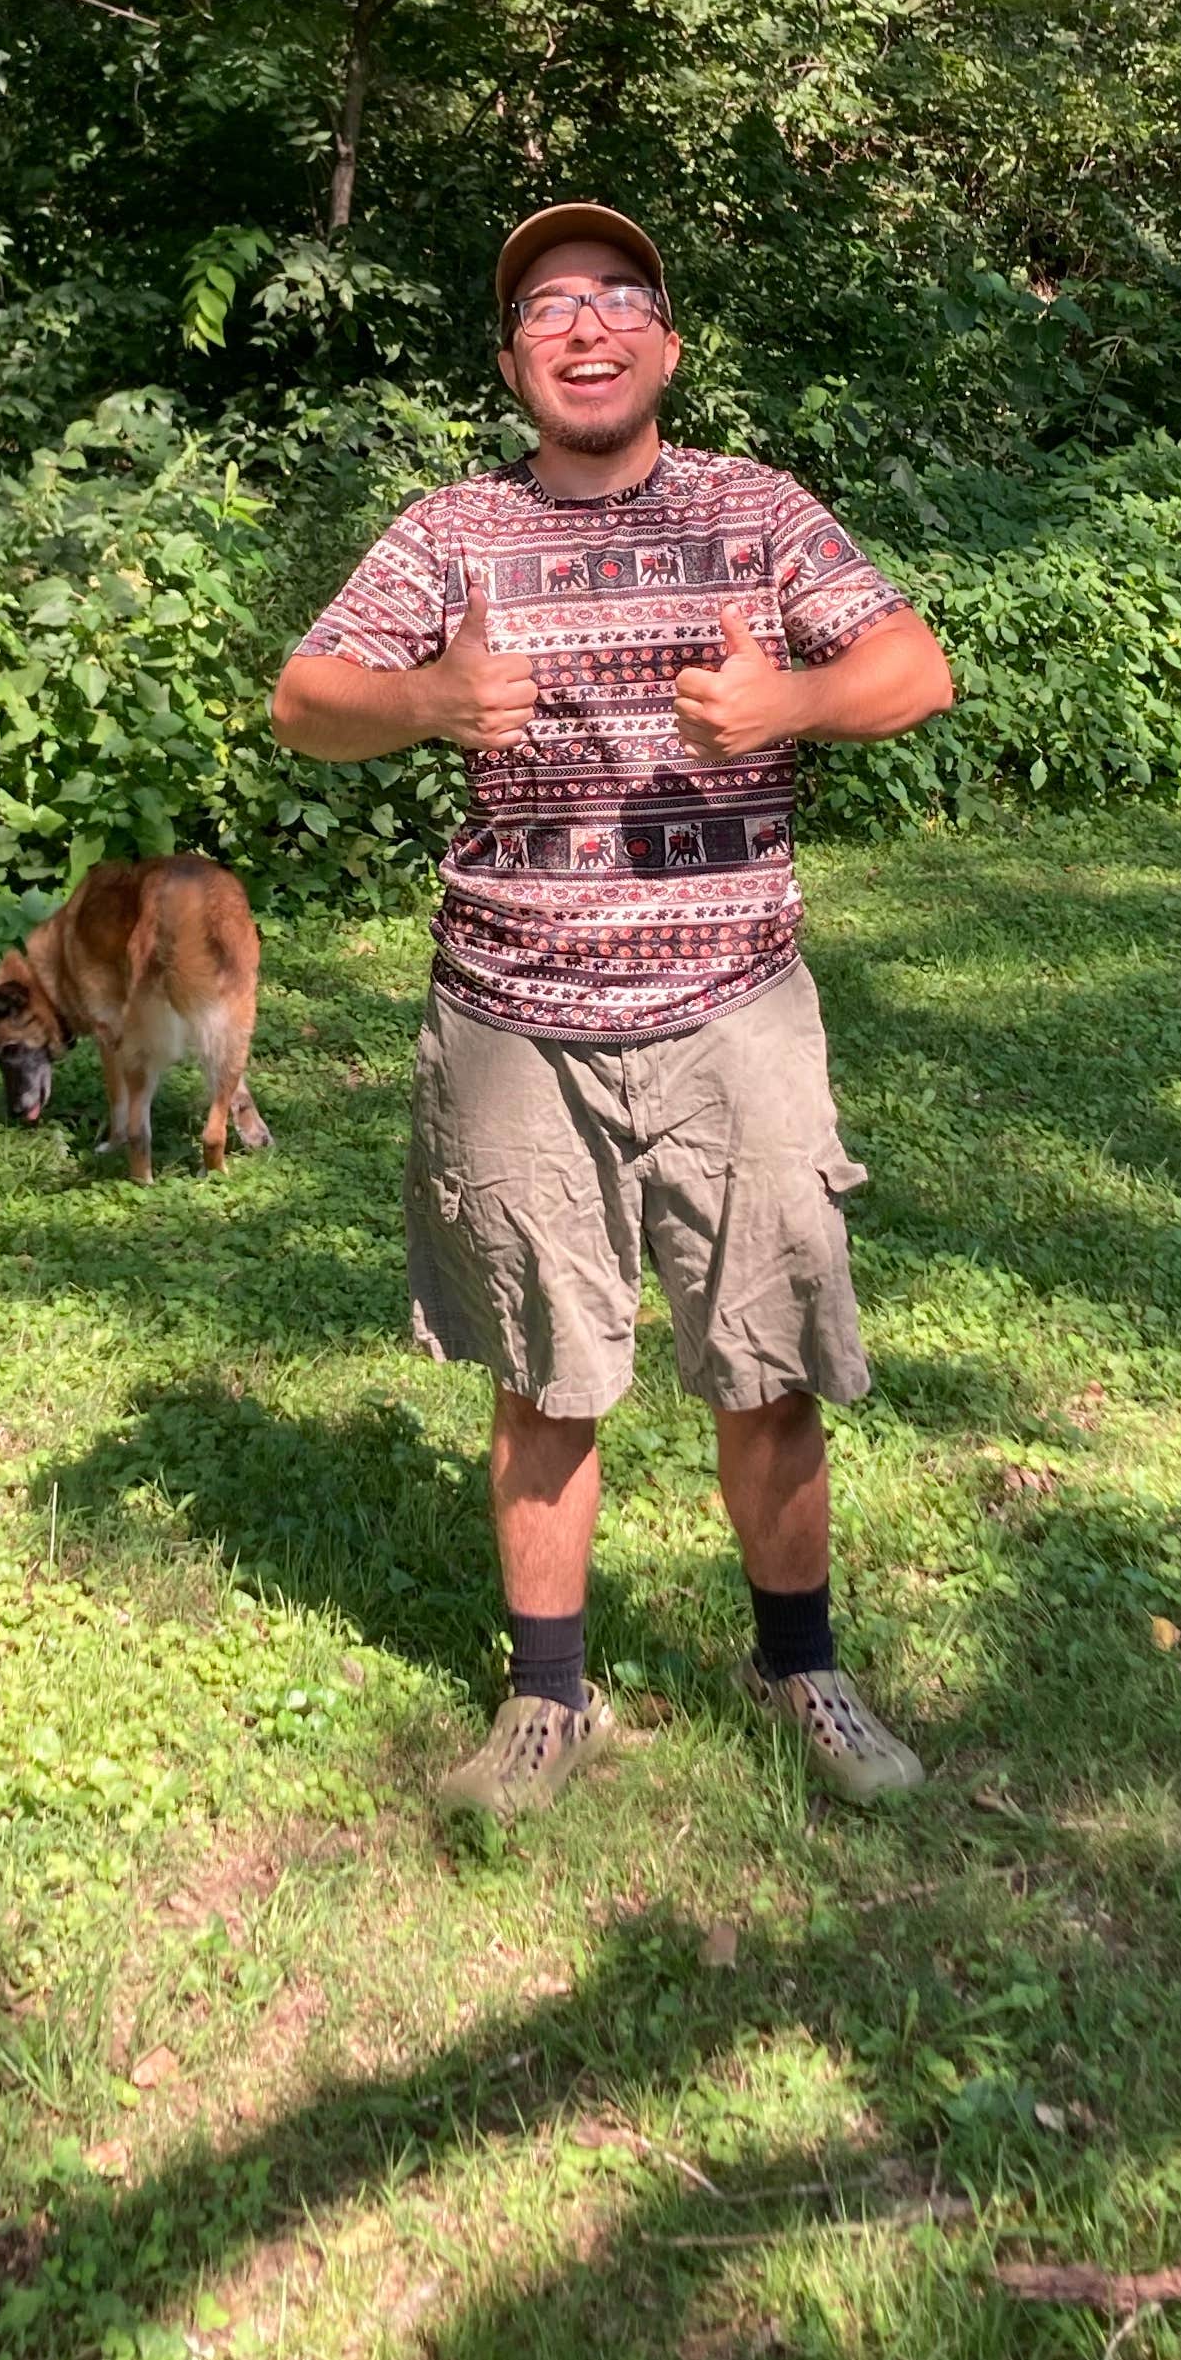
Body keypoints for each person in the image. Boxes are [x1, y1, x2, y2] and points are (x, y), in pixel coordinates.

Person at [269, 202, 958, 1821]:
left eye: (617, 302)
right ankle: (546, 1698)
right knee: (543, 1371)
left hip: (736, 1010)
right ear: (514, 362)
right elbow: (308, 702)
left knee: (768, 1359)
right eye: (548, 311)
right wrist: (429, 699)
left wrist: (785, 700)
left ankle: (799, 1664)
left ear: (666, 343)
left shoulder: (758, 512)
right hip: (513, 1017)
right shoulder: (451, 532)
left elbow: (913, 670)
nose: (585, 329)